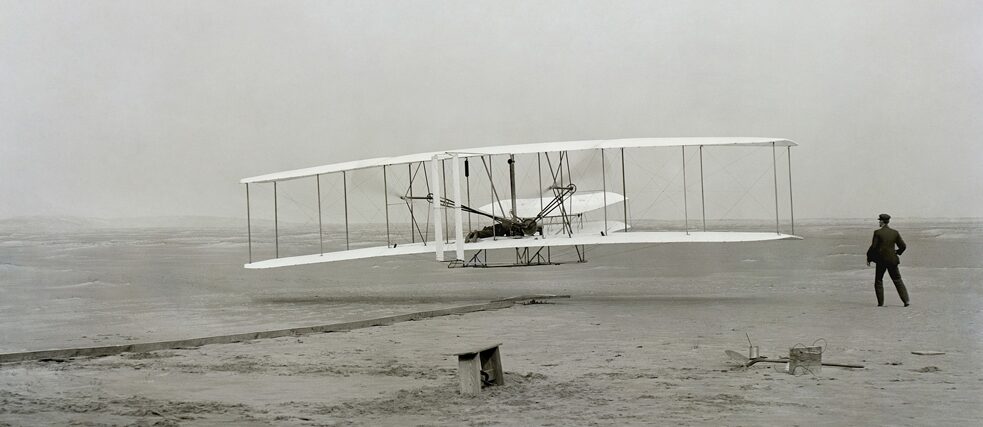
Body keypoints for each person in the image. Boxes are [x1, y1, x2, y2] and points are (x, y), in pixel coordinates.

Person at [866, 213, 910, 307]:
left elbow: (873, 247)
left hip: (881, 261)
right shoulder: (895, 232)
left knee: (878, 281)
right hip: (892, 260)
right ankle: (906, 301)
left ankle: (880, 303)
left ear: (882, 221)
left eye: (879, 220)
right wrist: (897, 252)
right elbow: (903, 246)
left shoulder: (877, 232)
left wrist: (869, 257)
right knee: (897, 280)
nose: (879, 222)